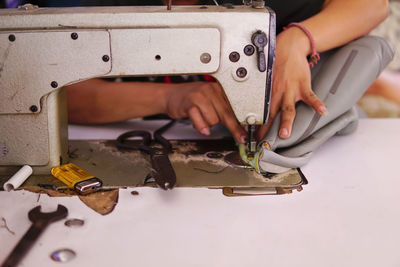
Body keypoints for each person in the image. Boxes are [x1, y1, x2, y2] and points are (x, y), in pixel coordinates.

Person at [12, 0, 390, 143]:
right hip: (148, 127)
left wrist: (295, 41)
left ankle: (384, 87)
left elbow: (371, 5)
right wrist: (172, 96)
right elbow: (55, 95)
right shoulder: (90, 8)